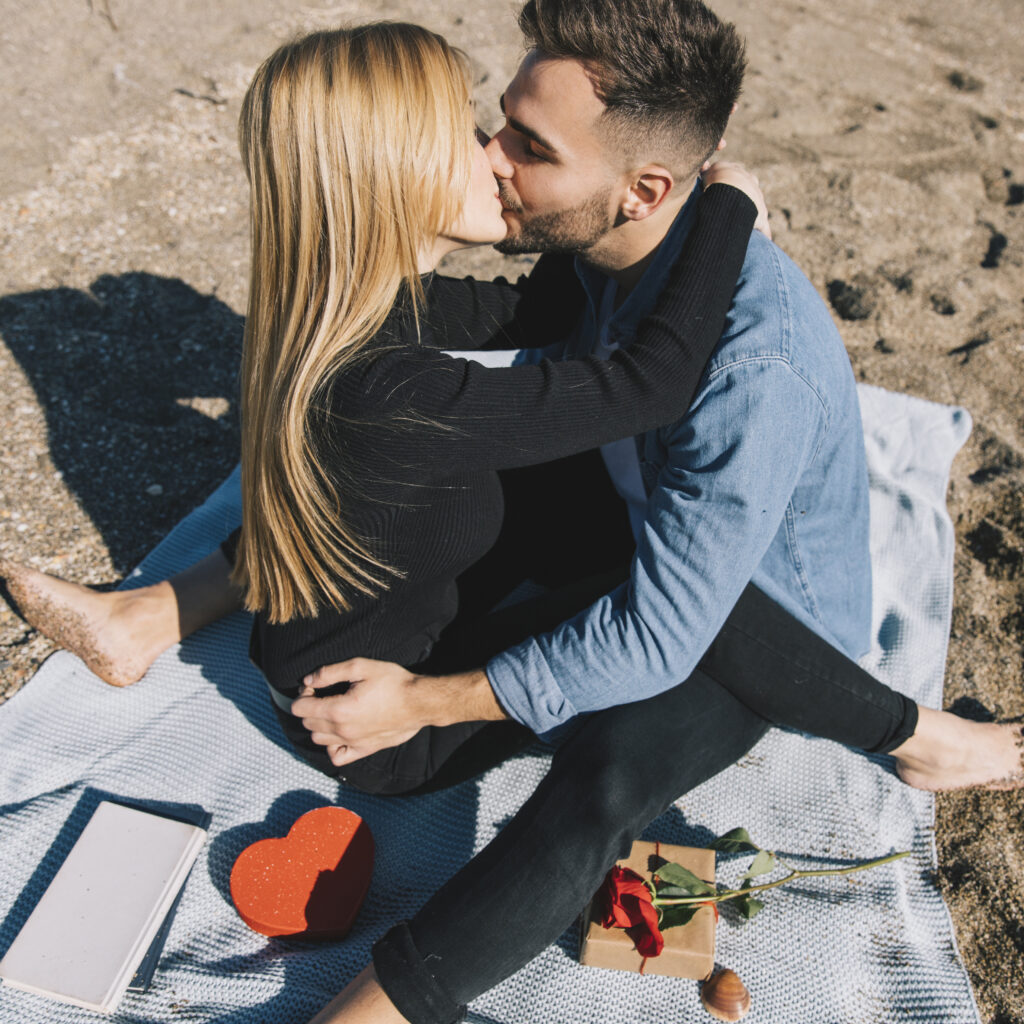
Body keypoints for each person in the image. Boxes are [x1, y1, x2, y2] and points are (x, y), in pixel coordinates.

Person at [0, 7, 1019, 1024]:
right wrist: (729, 207)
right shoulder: (584, 265)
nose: (494, 159)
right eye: (494, 129)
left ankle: (910, 737)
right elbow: (626, 380)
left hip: (759, 622)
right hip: (414, 646)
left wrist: (430, 697)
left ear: (642, 189)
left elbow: (667, 616)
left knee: (608, 766)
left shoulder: (745, 372)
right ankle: (916, 736)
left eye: (528, 146)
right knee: (441, 492)